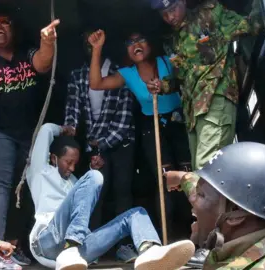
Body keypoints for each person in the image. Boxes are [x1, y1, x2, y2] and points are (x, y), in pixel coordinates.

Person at [0, 8, 60, 269]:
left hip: (24, 133)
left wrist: (47, 42)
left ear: (13, 28)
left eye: (4, 23)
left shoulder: (25, 52)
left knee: (25, 187)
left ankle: (12, 246)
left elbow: (42, 63)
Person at [26, 123, 195, 270]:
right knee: (94, 177)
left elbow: (85, 193)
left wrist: (93, 171)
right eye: (68, 162)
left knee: (136, 213)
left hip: (76, 254)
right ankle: (71, 245)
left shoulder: (74, 182)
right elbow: (45, 130)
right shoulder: (41, 171)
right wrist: (64, 129)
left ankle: (149, 251)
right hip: (46, 240)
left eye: (75, 164)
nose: (71, 168)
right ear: (54, 158)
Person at [88, 30, 192, 235]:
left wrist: (165, 86)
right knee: (164, 179)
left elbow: (188, 79)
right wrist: (97, 49)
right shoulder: (127, 74)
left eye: (141, 39)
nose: (136, 44)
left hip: (179, 122)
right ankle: (167, 237)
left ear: (150, 44)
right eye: (130, 42)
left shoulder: (167, 62)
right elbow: (96, 84)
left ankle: (197, 230)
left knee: (189, 174)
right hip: (151, 127)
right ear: (126, 50)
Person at [164, 142, 265, 269]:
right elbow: (218, 191)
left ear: (235, 214)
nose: (193, 202)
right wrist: (182, 177)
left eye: (201, 195)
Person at [150, 0, 262, 170]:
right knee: (205, 174)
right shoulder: (172, 40)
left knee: (206, 172)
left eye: (173, 9)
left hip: (215, 100)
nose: (170, 17)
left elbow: (251, 25)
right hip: (192, 113)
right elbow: (182, 76)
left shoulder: (210, 14)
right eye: (164, 14)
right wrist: (162, 86)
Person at [64, 31, 137, 262]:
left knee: (122, 190)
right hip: (96, 143)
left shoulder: (119, 72)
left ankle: (124, 246)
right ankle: (90, 246)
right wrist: (70, 129)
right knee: (95, 192)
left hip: (121, 140)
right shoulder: (78, 75)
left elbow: (124, 120)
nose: (90, 45)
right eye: (86, 41)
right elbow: (73, 107)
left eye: (94, 42)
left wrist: (101, 147)